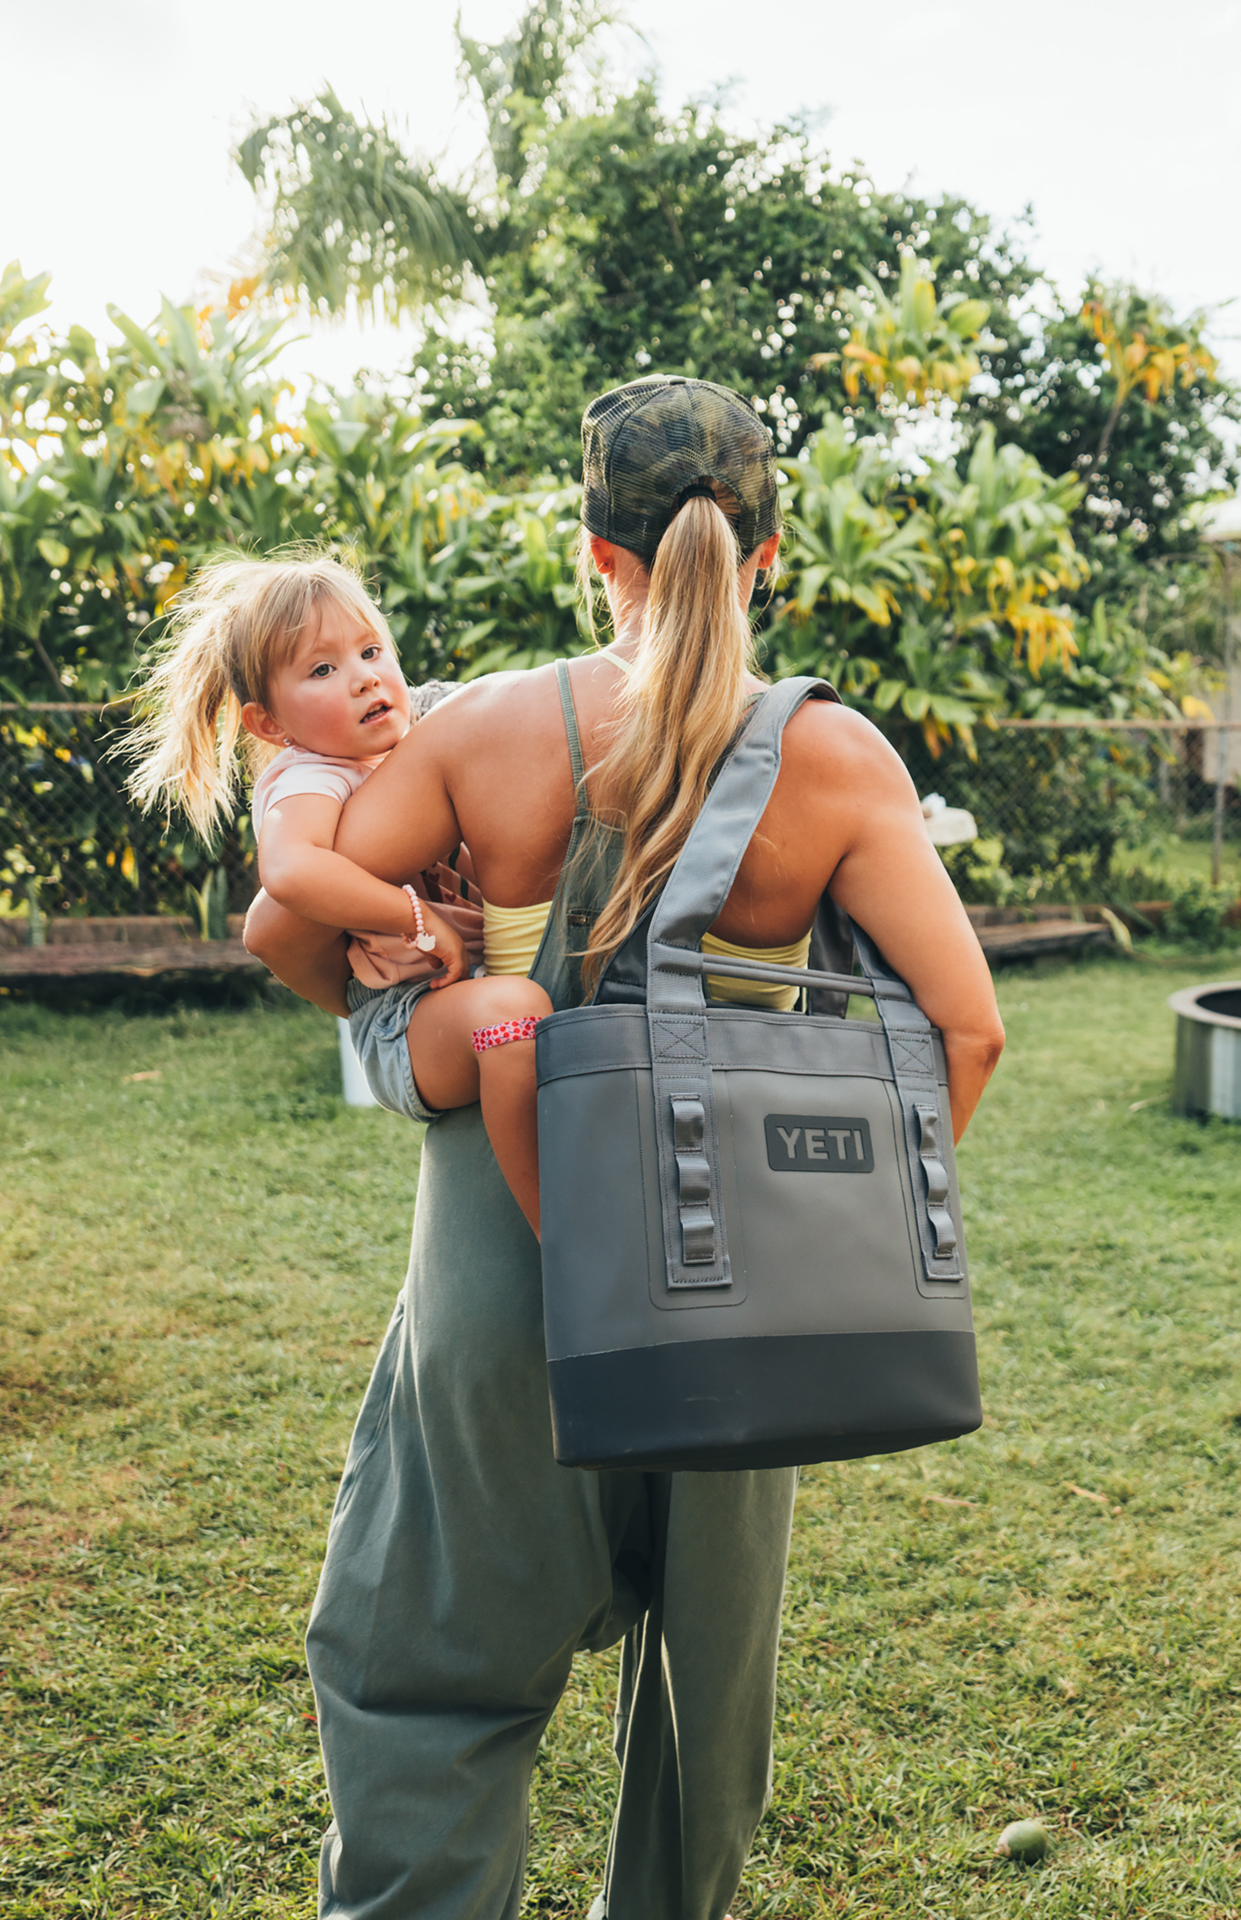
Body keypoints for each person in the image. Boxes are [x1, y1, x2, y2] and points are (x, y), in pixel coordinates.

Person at [243, 374, 1006, 1920]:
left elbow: (282, 920)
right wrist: (827, 1227)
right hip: (757, 1289)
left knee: (426, 1683)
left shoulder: (489, 730)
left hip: (503, 1278)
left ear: (599, 556)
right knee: (700, 1713)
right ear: (768, 556)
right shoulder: (844, 762)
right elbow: (967, 1032)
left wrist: (413, 988)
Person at [125, 552, 553, 1227]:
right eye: (323, 670)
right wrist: (414, 916)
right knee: (515, 1013)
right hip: (405, 1015)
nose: (363, 679)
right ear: (269, 723)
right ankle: (559, 1240)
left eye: (370, 650)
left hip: (458, 988)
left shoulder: (421, 728)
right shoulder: (312, 775)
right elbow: (290, 872)